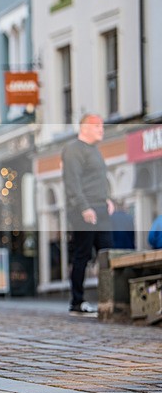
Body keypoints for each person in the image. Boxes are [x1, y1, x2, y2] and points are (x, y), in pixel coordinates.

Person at [62, 114, 113, 316]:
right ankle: (77, 301)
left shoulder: (96, 151)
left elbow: (99, 180)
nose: (101, 129)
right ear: (84, 128)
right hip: (84, 209)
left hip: (100, 207)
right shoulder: (73, 150)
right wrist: (84, 207)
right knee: (82, 254)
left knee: (107, 254)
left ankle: (108, 301)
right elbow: (72, 182)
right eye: (97, 126)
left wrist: (107, 199)